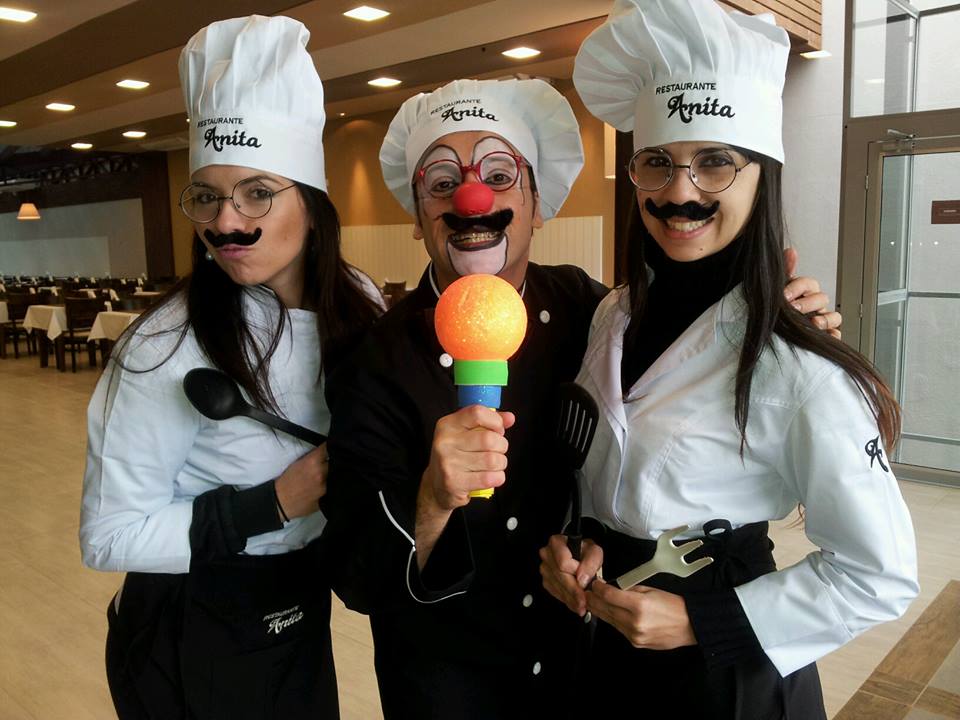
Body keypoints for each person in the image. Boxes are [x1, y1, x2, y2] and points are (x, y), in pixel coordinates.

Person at [320, 78, 838, 718]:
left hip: (581, 667)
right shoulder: (373, 361)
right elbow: (357, 577)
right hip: (448, 684)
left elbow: (639, 435)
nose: (472, 198)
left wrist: (785, 321)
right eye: (442, 182)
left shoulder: (592, 313)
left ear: (538, 204)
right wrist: (431, 499)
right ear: (416, 212)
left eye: (500, 176)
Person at [539, 1, 920, 717]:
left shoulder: (797, 363)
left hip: (730, 670)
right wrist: (577, 540)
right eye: (657, 163)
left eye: (715, 161)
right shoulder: (609, 317)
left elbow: (880, 574)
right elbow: (614, 470)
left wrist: (702, 622)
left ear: (760, 176)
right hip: (608, 644)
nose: (679, 192)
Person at [79, 15, 381, 720]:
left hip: (297, 601)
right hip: (191, 621)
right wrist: (270, 504)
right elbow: (109, 535)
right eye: (207, 196)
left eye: (256, 192)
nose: (226, 222)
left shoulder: (359, 303)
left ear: (312, 204)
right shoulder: (165, 345)